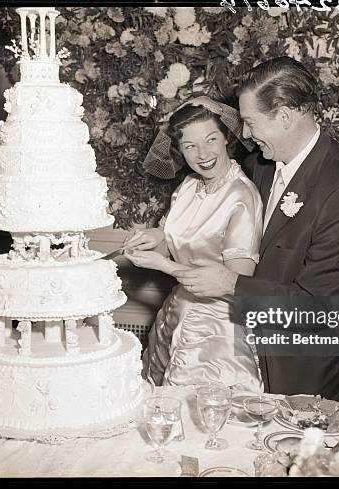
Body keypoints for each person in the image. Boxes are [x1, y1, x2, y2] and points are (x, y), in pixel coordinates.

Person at [174, 57, 339, 401]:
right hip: (245, 351)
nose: (247, 134)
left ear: (284, 116)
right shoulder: (262, 163)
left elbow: (317, 307)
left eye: (250, 123)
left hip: (297, 364)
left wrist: (230, 283)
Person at [123, 96, 263, 392]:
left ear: (226, 137)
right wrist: (153, 240)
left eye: (211, 139)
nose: (202, 154)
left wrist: (162, 264)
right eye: (190, 146)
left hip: (217, 328)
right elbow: (173, 240)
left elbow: (237, 280)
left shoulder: (241, 196)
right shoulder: (189, 186)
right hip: (177, 311)